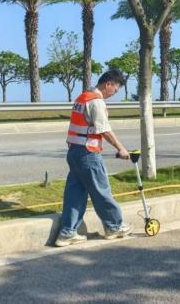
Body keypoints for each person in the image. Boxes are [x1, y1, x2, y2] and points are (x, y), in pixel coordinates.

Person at [55, 69, 134, 247]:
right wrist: (121, 148)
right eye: (115, 90)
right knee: (101, 191)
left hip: (74, 152)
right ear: (108, 84)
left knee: (74, 194)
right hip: (88, 153)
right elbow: (103, 129)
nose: (114, 94)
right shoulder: (96, 102)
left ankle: (67, 233)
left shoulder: (81, 98)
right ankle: (114, 226)